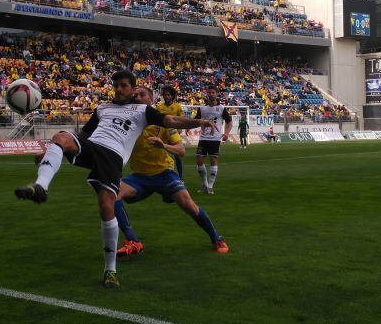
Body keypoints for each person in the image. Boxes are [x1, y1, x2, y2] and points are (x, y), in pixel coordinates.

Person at [13, 70, 216, 288]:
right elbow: (82, 137)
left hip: (112, 157)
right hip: (93, 147)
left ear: (131, 88)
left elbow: (171, 119)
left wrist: (199, 122)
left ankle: (110, 270)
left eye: (124, 86)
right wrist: (54, 150)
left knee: (106, 205)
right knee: (61, 136)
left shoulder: (142, 110)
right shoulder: (102, 108)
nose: (119, 89)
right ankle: (40, 187)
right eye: (116, 85)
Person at [114, 87, 229, 258]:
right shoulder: (127, 122)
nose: (137, 97)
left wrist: (164, 146)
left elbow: (181, 150)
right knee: (111, 194)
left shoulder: (162, 122)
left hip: (164, 173)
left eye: (142, 94)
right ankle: (133, 241)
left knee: (189, 206)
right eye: (135, 95)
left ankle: (216, 238)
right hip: (139, 176)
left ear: (151, 100)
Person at [195, 86, 233, 195]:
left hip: (215, 139)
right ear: (206, 94)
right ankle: (204, 184)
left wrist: (226, 133)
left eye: (213, 92)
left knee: (213, 160)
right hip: (203, 138)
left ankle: (210, 186)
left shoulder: (221, 108)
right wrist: (188, 127)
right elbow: (195, 120)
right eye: (209, 92)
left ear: (216, 94)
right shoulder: (202, 108)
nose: (211, 94)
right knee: (199, 160)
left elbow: (229, 122)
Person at [155, 86, 185, 177]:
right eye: (165, 95)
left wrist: (179, 128)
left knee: (177, 155)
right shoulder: (159, 107)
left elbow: (182, 118)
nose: (166, 97)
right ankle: (160, 174)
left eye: (168, 95)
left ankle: (180, 177)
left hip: (173, 133)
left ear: (172, 96)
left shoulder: (177, 107)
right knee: (160, 153)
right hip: (162, 133)